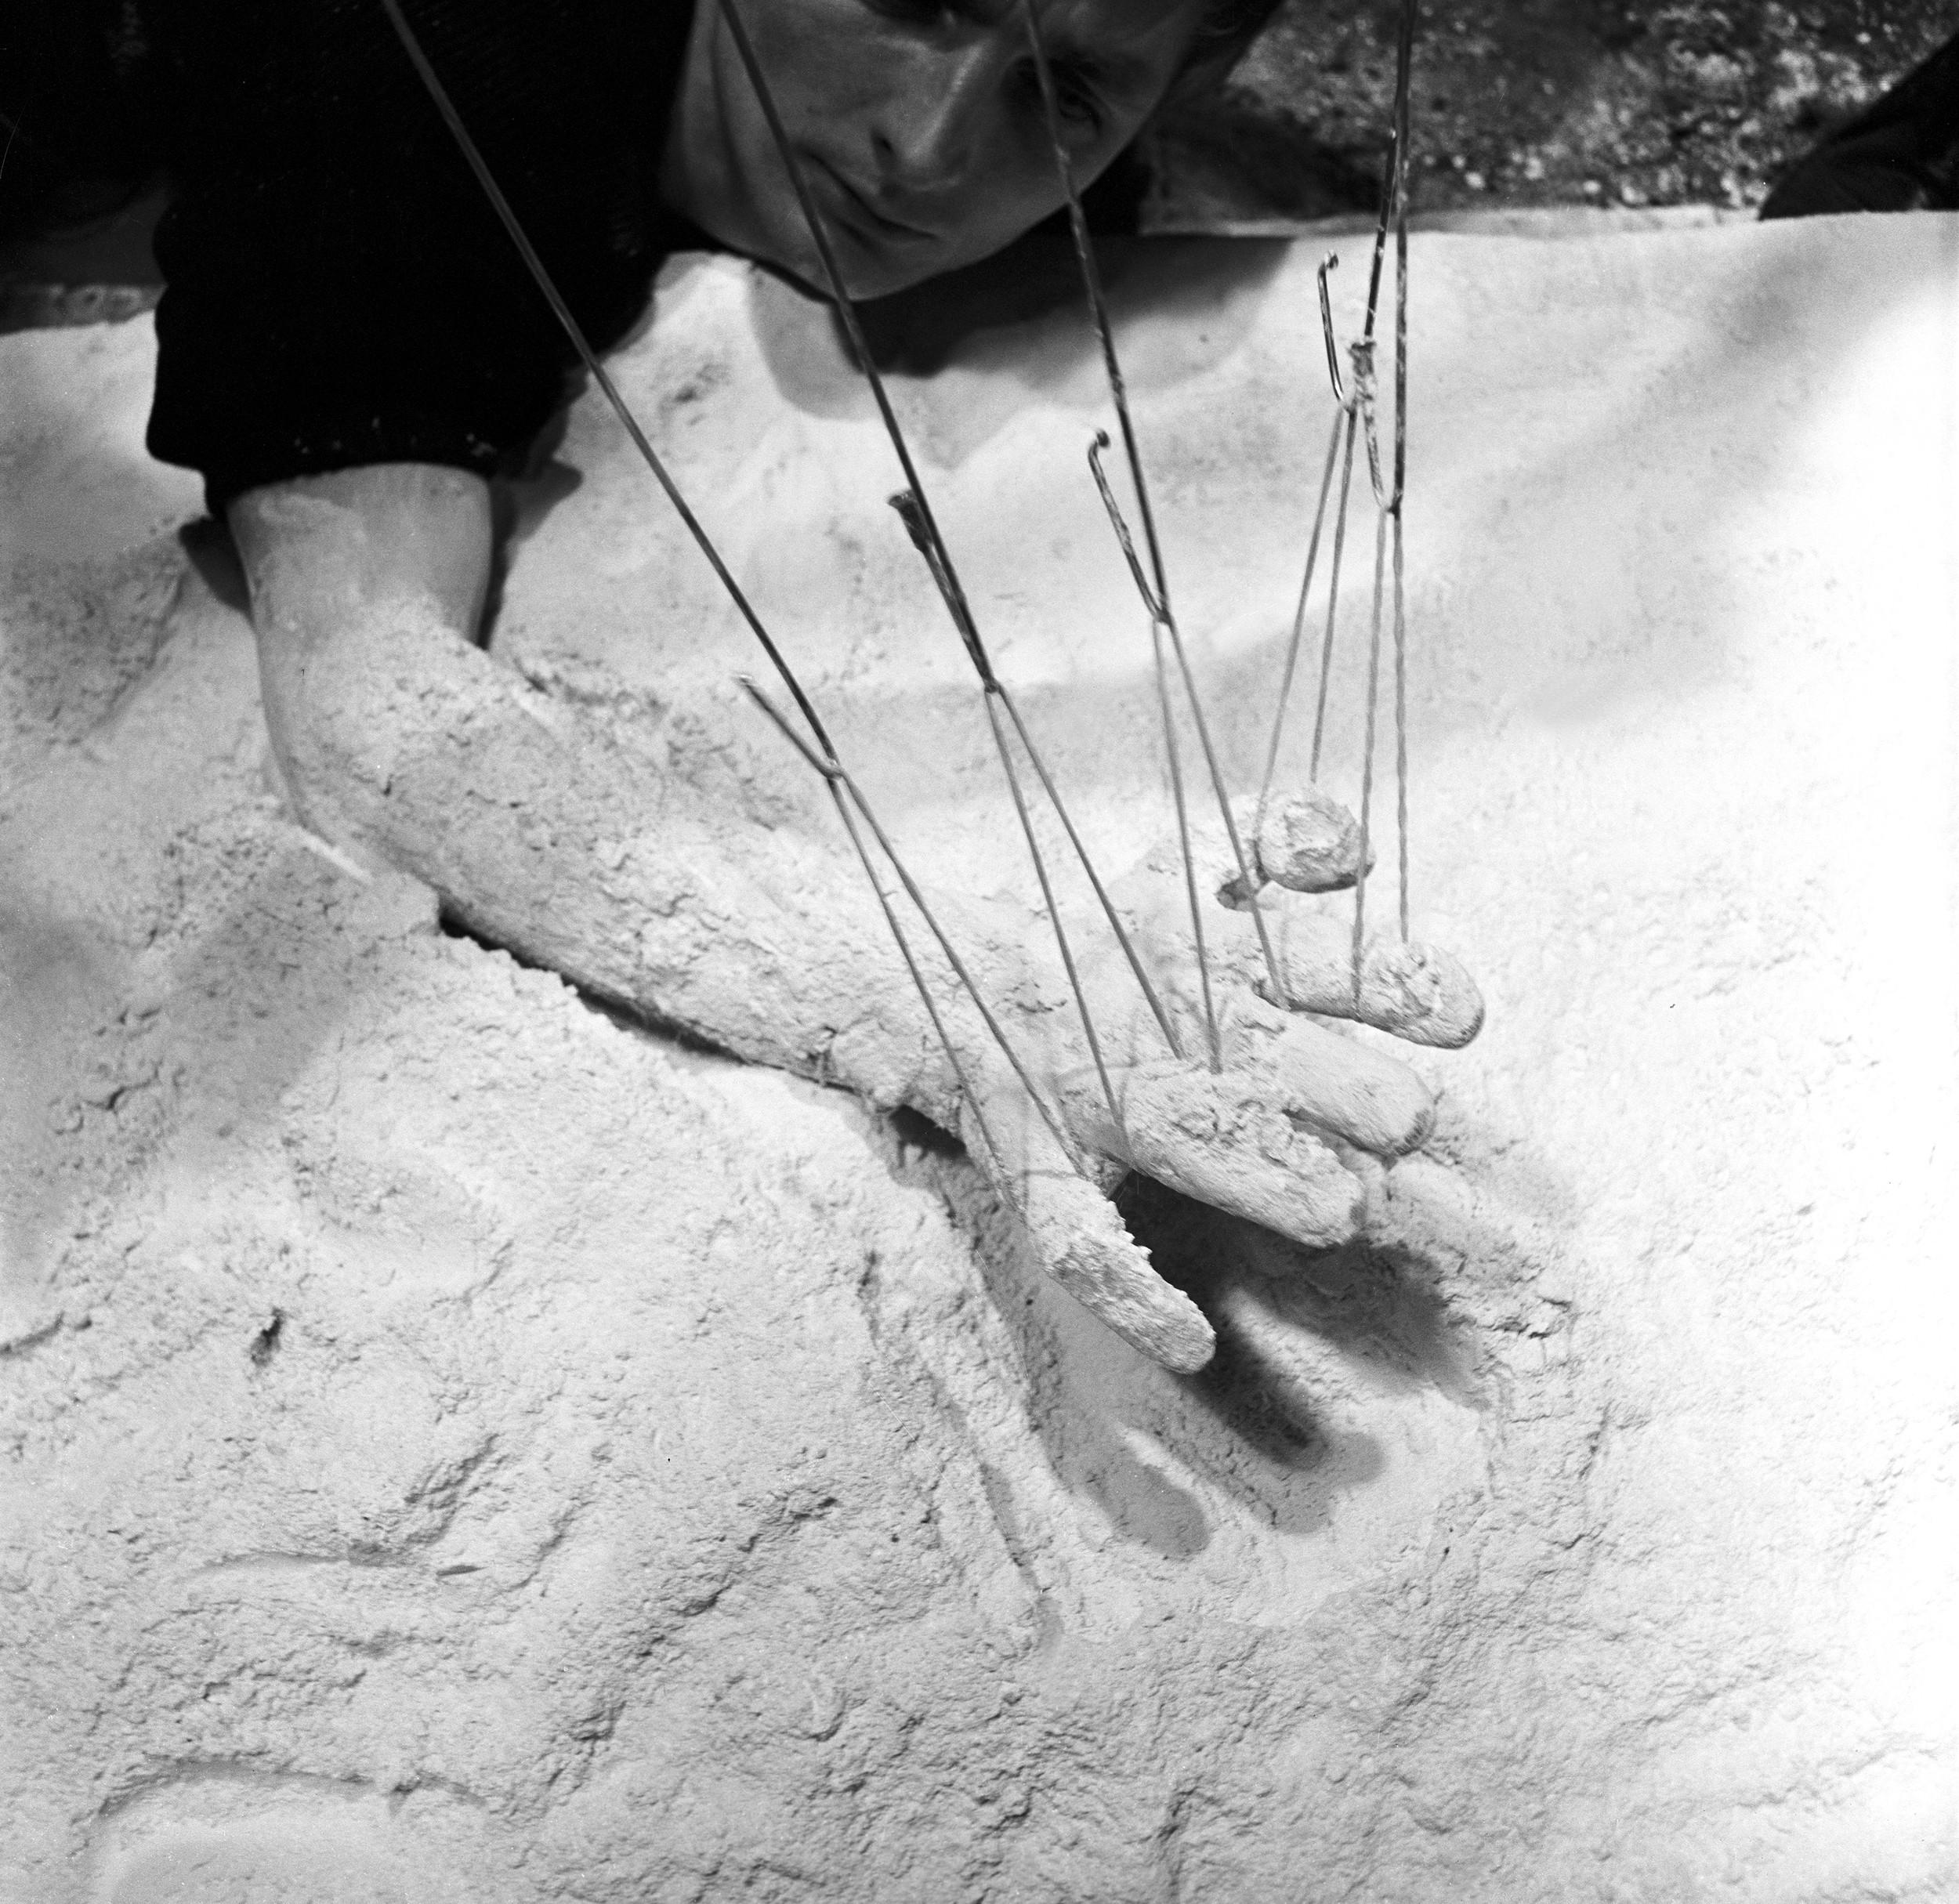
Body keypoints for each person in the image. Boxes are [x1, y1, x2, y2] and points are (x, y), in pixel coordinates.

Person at [24, 0, 1464, 1370]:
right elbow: (377, 713)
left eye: (1066, 93)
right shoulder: (421, 67)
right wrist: (943, 990)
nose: (930, 144)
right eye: (911, 1)